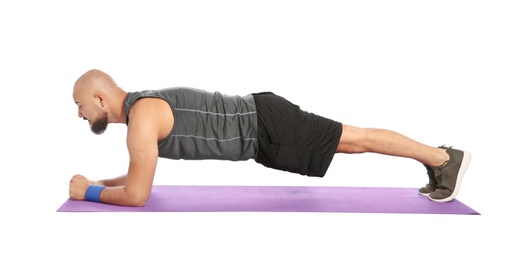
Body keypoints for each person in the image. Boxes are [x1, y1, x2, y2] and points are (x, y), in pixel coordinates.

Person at [69, 69, 472, 206]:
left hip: (266, 127)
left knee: (357, 139)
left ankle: (442, 158)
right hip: (263, 122)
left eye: (81, 105)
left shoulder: (141, 122)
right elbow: (139, 175)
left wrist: (86, 193)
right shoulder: (143, 111)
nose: (80, 113)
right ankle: (439, 158)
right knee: (354, 140)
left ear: (101, 97)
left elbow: (138, 195)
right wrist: (102, 184)